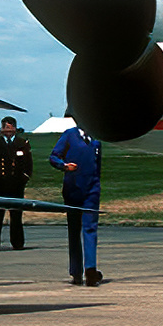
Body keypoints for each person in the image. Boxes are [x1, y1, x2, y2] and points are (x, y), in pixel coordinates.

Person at [49, 122, 103, 286]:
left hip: (91, 190)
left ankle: (91, 270)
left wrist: (96, 186)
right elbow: (53, 156)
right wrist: (64, 166)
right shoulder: (69, 135)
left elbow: (97, 166)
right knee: (74, 230)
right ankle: (76, 271)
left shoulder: (96, 139)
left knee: (90, 228)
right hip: (73, 189)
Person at [0, 116, 33, 251]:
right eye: (5, 128)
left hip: (16, 185)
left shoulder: (22, 143)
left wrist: (24, 178)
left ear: (15, 129)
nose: (7, 131)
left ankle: (17, 243)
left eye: (10, 128)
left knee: (16, 216)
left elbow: (28, 164)